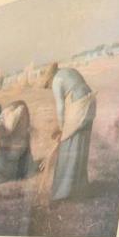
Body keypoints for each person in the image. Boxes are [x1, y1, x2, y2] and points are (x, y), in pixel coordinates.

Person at [41, 62, 96, 201]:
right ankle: (79, 188)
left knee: (68, 147)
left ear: (49, 80)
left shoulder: (56, 81)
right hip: (89, 103)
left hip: (79, 105)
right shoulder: (68, 71)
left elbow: (60, 108)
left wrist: (61, 129)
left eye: (47, 85)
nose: (49, 88)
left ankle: (62, 192)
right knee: (81, 144)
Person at [0, 100, 33, 186]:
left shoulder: (11, 121)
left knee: (20, 142)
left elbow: (22, 107)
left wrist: (25, 128)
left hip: (20, 107)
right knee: (5, 149)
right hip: (9, 111)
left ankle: (26, 163)